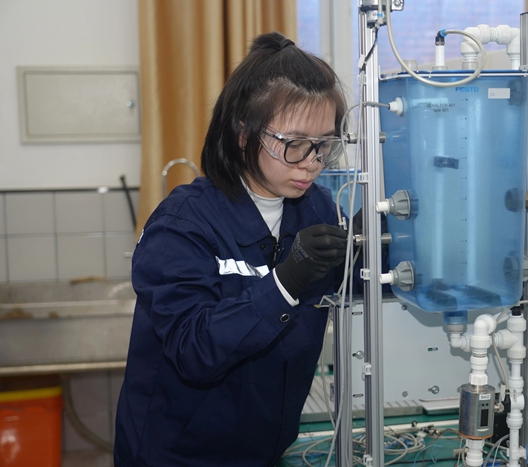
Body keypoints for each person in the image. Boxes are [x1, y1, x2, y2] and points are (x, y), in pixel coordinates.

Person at [114, 32, 353, 467]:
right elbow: (193, 351)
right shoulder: (183, 224)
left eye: (324, 145)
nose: (311, 162)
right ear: (245, 134)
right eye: (294, 144)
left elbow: (357, 279)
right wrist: (284, 283)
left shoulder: (318, 208)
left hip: (263, 451)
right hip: (179, 457)